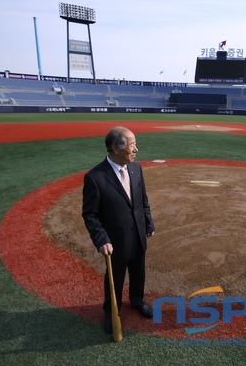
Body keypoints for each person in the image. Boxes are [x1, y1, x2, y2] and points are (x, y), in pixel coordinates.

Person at [82, 126, 156, 335]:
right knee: (115, 278)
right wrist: (101, 239)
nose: (136, 149)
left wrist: (148, 223)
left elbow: (142, 200)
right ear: (115, 148)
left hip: (138, 235)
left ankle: (137, 300)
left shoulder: (136, 168)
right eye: (132, 145)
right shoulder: (95, 178)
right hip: (114, 242)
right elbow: (90, 215)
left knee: (138, 271)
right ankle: (111, 311)